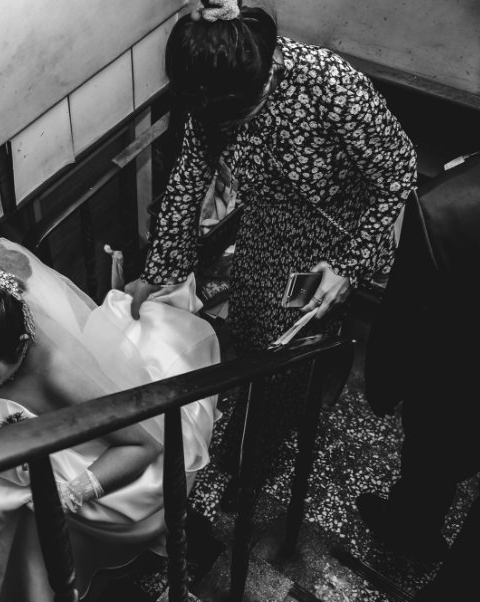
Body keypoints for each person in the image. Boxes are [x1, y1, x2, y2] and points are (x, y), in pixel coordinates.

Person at [124, 0, 418, 501]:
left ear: (264, 78)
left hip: (334, 232)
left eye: (239, 114)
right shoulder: (209, 94)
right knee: (254, 326)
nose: (226, 126)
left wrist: (348, 266)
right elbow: (188, 180)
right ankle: (274, 406)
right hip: (266, 225)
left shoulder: (328, 82)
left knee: (293, 342)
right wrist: (161, 272)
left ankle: (259, 448)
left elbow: (399, 173)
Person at [0, 238, 221, 602]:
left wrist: (68, 495)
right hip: (47, 437)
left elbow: (145, 446)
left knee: (26, 519)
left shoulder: (61, 375)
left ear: (20, 344)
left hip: (109, 462)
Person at [359, 2, 480, 602]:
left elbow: (407, 320)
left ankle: (414, 528)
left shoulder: (452, 205)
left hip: (467, 379)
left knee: (434, 455)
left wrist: (384, 386)